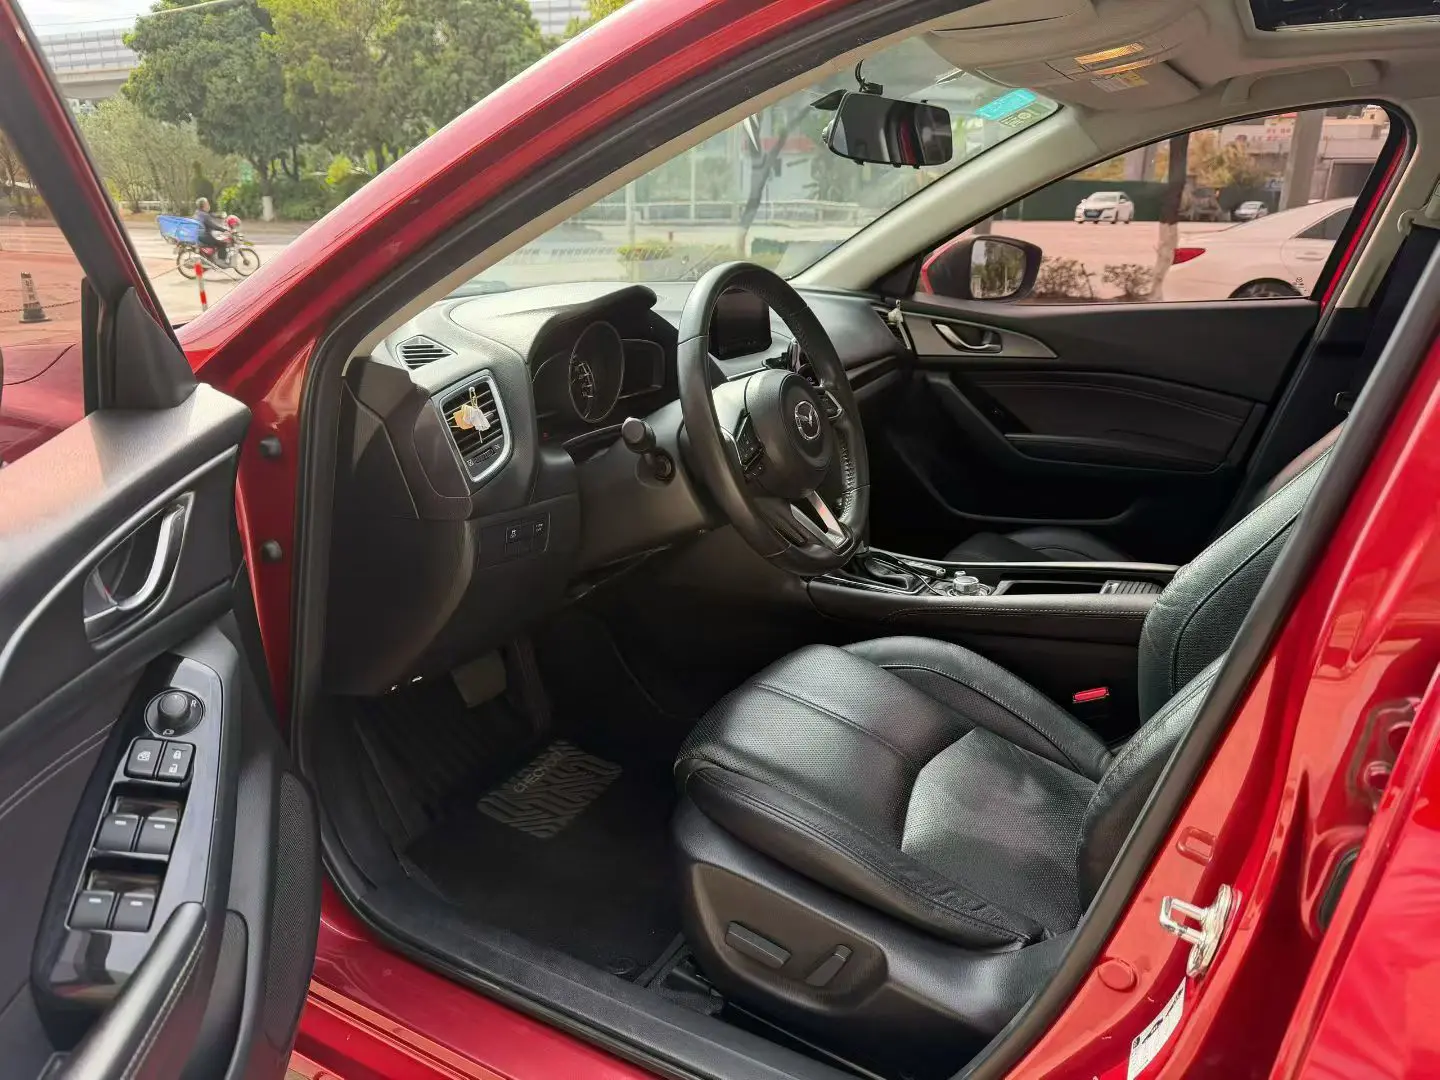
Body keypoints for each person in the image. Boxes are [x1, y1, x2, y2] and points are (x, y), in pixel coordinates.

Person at [193, 197, 230, 266]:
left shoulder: (198, 212)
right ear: (204, 205)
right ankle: (221, 262)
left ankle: (211, 258)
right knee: (222, 242)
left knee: (217, 238)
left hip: (199, 235)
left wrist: (219, 216)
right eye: (207, 204)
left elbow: (211, 215)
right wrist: (224, 230)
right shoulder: (204, 215)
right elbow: (213, 226)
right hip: (204, 236)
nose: (209, 205)